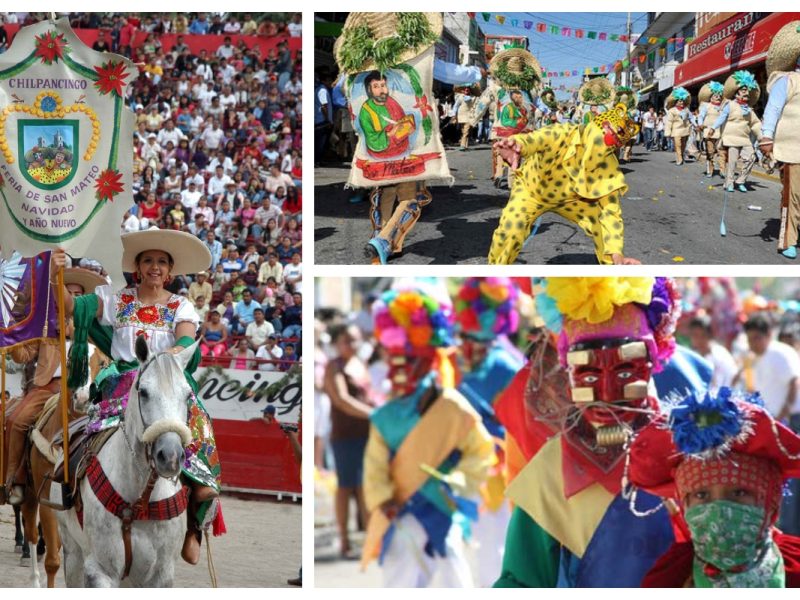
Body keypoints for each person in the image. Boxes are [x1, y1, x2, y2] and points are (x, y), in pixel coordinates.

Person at [495, 277, 681, 587]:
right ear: (569, 374)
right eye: (589, 374)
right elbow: (522, 579)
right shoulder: (551, 469)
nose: (607, 392)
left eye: (624, 371)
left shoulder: (687, 451)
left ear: (650, 364)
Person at [54, 229, 223, 565]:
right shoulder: (116, 297)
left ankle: (194, 519)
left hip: (167, 377)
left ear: (171, 271)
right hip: (122, 380)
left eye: (162, 261)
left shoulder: (181, 304)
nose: (155, 267)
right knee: (88, 430)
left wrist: (166, 359)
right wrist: (55, 274)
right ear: (137, 267)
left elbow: (188, 341)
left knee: (200, 422)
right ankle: (70, 484)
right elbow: (71, 306)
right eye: (148, 260)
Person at [362, 279, 493, 587]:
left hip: (443, 507)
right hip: (401, 511)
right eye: (397, 362)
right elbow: (374, 465)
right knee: (399, 572)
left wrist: (456, 483)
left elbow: (481, 450)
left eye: (410, 361)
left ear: (428, 360)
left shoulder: (453, 406)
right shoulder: (385, 415)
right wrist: (383, 499)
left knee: (454, 573)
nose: (401, 370)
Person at [628, 387, 800, 587]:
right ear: (684, 504)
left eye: (739, 492)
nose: (719, 509)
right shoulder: (669, 578)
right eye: (702, 495)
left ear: (772, 502)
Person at [487, 103, 641, 265]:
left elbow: (611, 213)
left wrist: (616, 254)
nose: (605, 143)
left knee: (604, 232)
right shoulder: (560, 132)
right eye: (607, 134)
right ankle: (495, 274)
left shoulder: (607, 166)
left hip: (574, 200)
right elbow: (532, 140)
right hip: (531, 190)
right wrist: (516, 145)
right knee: (511, 228)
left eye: (613, 142)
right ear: (595, 124)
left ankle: (615, 271)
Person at [1, 267, 105, 506]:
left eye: (77, 293)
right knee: (15, 421)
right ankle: (15, 478)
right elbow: (24, 355)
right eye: (67, 292)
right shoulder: (44, 325)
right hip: (47, 388)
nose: (71, 296)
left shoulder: (95, 329)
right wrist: (14, 339)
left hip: (87, 390)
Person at [453, 277, 525, 587]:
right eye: (467, 337)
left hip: (500, 471)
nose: (470, 346)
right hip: (465, 467)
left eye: (477, 339)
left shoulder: (507, 366)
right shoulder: (459, 364)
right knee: (475, 545)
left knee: (494, 546)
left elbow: (519, 425)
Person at [324, 324, 373, 559]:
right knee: (346, 486)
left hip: (366, 433)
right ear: (338, 343)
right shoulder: (334, 366)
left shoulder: (360, 365)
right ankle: (344, 538)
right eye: (348, 340)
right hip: (345, 434)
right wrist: (373, 414)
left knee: (365, 486)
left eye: (355, 340)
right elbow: (341, 400)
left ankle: (368, 536)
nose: (352, 345)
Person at [470, 48, 543, 188]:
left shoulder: (496, 87)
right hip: (524, 130)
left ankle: (500, 174)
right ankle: (512, 181)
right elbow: (533, 105)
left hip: (503, 129)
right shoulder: (531, 89)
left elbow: (483, 101)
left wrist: (472, 120)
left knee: (501, 151)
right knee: (516, 154)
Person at [760, 20, 800, 259]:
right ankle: (787, 241)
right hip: (791, 149)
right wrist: (766, 137)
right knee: (792, 196)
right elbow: (772, 111)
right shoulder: (786, 81)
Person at [709, 70, 762, 193]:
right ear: (737, 92)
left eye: (747, 90)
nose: (746, 92)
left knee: (752, 157)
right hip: (732, 137)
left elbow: (755, 123)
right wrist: (713, 128)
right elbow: (721, 117)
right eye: (743, 90)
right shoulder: (730, 105)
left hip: (744, 138)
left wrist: (762, 137)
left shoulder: (749, 109)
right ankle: (729, 183)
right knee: (732, 162)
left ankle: (741, 180)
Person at [687, 314, 738, 391]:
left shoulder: (720, 354)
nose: (699, 339)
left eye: (703, 335)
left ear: (709, 335)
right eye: (695, 335)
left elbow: (731, 377)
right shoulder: (691, 356)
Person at [697, 81, 727, 178]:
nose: (718, 97)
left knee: (721, 151)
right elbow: (700, 117)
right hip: (709, 133)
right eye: (715, 95)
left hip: (721, 133)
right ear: (711, 97)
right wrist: (700, 124)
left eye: (719, 95)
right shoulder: (706, 106)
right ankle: (710, 169)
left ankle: (722, 170)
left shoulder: (724, 107)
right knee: (710, 152)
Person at [665, 87, 694, 166]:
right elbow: (669, 122)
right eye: (680, 101)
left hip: (685, 129)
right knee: (678, 145)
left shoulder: (686, 109)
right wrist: (668, 132)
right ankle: (680, 159)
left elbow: (691, 118)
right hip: (676, 130)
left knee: (683, 145)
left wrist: (696, 124)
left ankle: (680, 156)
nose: (682, 102)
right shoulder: (672, 110)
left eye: (683, 101)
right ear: (676, 102)